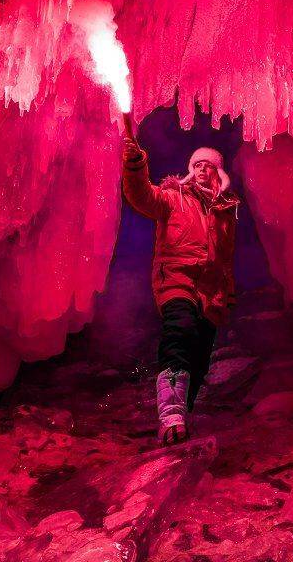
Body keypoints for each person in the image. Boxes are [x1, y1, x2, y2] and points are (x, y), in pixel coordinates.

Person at [121, 136, 240, 444]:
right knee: (180, 333)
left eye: (208, 166)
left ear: (218, 173)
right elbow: (141, 196)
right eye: (197, 165)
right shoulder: (172, 197)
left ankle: (179, 419)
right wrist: (136, 164)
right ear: (190, 169)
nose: (202, 170)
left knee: (199, 358)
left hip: (210, 292)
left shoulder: (225, 211)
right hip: (176, 280)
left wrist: (226, 293)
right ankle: (170, 416)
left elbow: (225, 259)